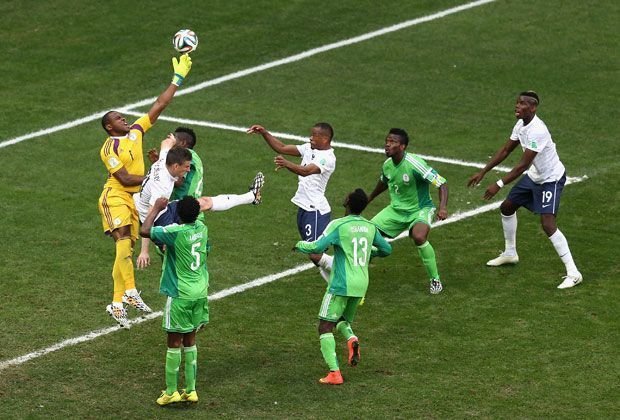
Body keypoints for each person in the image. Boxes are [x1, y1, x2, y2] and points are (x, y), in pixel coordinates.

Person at [98, 54, 192, 327]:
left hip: (134, 199)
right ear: (109, 127)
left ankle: (120, 299)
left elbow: (159, 105)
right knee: (124, 240)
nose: (123, 117)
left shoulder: (136, 132)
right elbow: (126, 178)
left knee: (126, 246)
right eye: (117, 118)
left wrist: (177, 79)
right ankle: (128, 292)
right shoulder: (108, 149)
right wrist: (154, 173)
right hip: (114, 195)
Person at [467, 91, 582, 289]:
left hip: (551, 178)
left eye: (522, 104)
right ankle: (510, 253)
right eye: (517, 103)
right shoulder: (521, 125)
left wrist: (499, 184)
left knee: (547, 224)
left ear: (533, 108)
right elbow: (505, 150)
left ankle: (573, 273)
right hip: (536, 176)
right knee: (507, 207)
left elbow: (522, 166)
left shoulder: (538, 130)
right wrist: (483, 171)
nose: (517, 106)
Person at [293, 189, 392, 385]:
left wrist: (299, 245)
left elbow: (317, 248)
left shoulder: (338, 225)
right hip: (361, 284)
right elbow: (387, 249)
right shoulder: (370, 226)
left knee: (324, 326)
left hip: (341, 284)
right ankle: (351, 339)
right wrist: (369, 254)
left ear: (347, 201)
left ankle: (335, 373)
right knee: (341, 320)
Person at [135, 134, 264, 268]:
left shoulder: (164, 158)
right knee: (177, 250)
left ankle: (251, 196)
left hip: (163, 209)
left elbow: (165, 143)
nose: (188, 170)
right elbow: (149, 217)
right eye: (186, 166)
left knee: (204, 203)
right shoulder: (162, 188)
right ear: (175, 166)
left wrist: (172, 140)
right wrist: (144, 251)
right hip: (156, 220)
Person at [139, 196, 208, 406]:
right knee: (190, 341)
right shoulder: (202, 229)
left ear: (178, 215)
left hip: (180, 294)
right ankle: (191, 390)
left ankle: (171, 392)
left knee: (173, 343)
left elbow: (144, 231)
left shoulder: (174, 233)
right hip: (200, 292)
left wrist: (156, 209)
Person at [247, 123, 336, 281]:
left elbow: (307, 171)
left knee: (315, 254)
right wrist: (265, 133)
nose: (310, 138)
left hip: (315, 210)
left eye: (314, 135)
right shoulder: (309, 148)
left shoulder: (328, 158)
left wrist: (286, 163)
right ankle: (337, 286)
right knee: (314, 256)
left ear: (325, 138)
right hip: (303, 208)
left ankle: (346, 273)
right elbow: (281, 147)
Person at [367, 128, 448, 294]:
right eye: (387, 141)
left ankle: (435, 280)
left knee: (418, 236)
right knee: (367, 233)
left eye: (392, 142)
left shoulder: (415, 164)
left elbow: (441, 183)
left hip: (419, 209)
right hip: (396, 210)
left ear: (402, 146)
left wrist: (442, 207)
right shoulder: (387, 165)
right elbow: (383, 182)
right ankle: (370, 258)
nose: (387, 145)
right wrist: (368, 199)